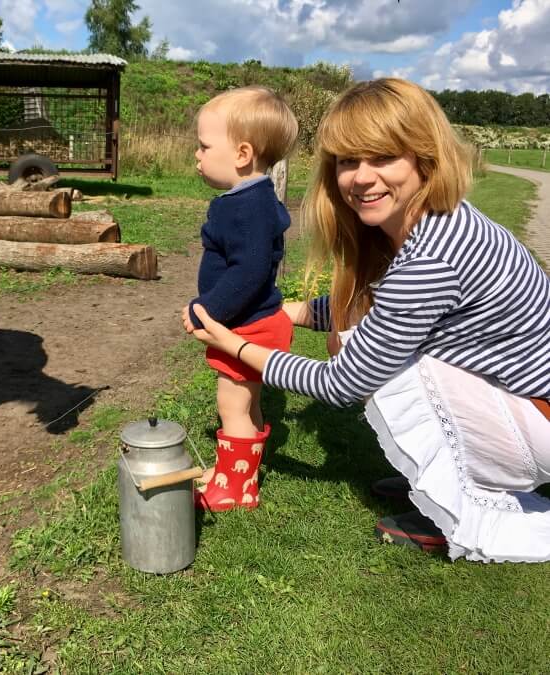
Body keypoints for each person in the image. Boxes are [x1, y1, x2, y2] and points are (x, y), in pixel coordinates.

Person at [183, 78, 550, 562]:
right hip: (521, 407)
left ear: (424, 157)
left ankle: (458, 511)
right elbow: (374, 304)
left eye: (383, 158)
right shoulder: (436, 222)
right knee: (358, 332)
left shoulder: (432, 258)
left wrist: (237, 345)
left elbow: (342, 384)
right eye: (347, 161)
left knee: (375, 359)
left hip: (537, 421)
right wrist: (284, 312)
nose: (361, 177)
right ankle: (443, 476)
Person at [184, 86, 298, 512]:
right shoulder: (254, 198)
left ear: (242, 153)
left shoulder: (244, 209)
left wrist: (205, 310)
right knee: (246, 402)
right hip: (257, 321)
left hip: (246, 326)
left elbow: (248, 274)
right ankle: (239, 472)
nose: (197, 154)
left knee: (232, 403)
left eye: (204, 145)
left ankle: (234, 489)